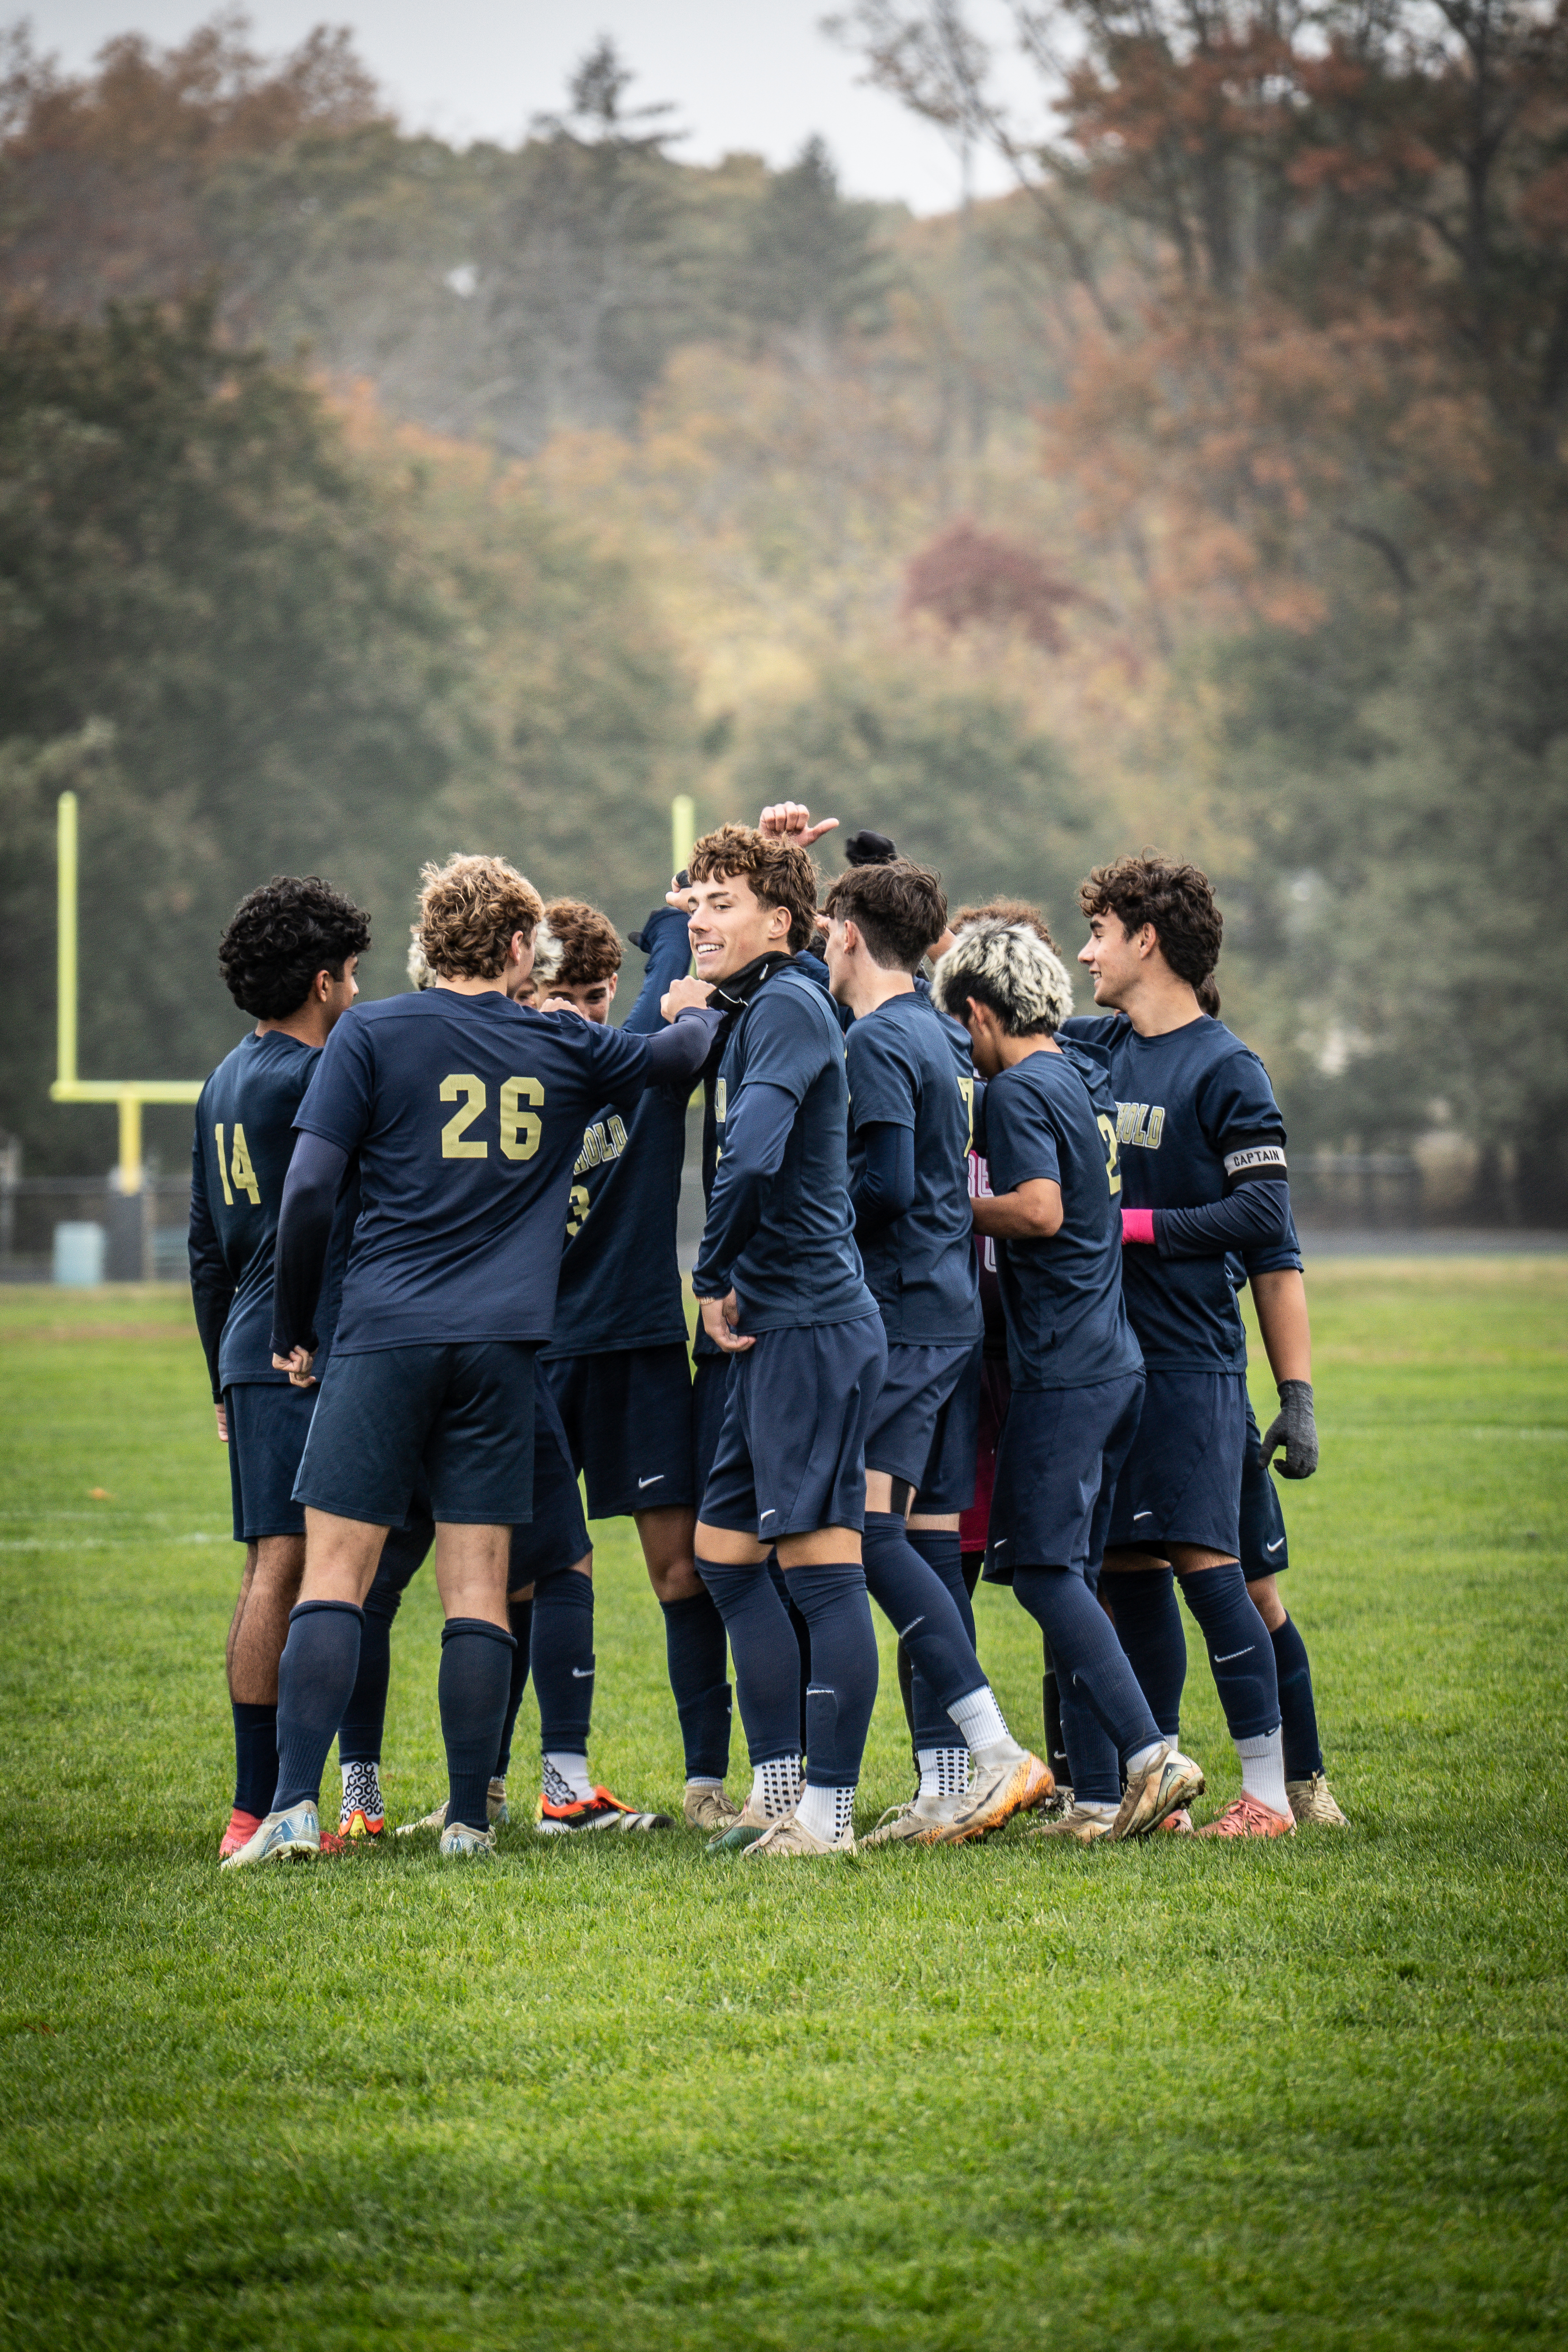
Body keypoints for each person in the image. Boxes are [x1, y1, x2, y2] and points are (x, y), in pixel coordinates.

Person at [222, 852, 721, 1867]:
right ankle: (464, 1819)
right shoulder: (561, 1039)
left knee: (337, 1575)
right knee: (481, 1587)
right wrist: (698, 1002)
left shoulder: (367, 1030)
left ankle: (291, 1808)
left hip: (383, 1336)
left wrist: (298, 1323)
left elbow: (311, 1190)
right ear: (511, 947)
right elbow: (677, 1060)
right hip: (503, 1349)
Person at [933, 917, 1206, 1843]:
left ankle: (1149, 1753)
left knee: (1044, 1569)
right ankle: (1098, 1793)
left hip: (1063, 1371)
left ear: (978, 1012)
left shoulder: (1013, 1092)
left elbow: (1040, 1208)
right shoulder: (1078, 1076)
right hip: (1115, 1359)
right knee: (1075, 1572)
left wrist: (948, 1205)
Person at [1062, 853, 1298, 1838]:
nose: (1085, 953)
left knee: (1211, 1568)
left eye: (1101, 933)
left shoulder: (1226, 1065)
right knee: (1125, 1570)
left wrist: (1135, 1227)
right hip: (1107, 1362)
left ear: (1145, 939)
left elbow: (1261, 1210)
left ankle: (1273, 1795)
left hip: (1194, 1361)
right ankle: (1155, 1788)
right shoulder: (1094, 1048)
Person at [669, 822, 890, 1859]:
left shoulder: (794, 1004)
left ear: (782, 921)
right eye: (694, 900)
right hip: (767, 1329)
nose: (697, 917)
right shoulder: (758, 1002)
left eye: (721, 901)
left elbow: (752, 1153)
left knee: (821, 1566)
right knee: (726, 1555)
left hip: (806, 1325)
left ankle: (829, 1818)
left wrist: (710, 1275)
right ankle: (779, 1786)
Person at [820, 858, 1051, 1846]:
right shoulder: (945, 1033)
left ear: (842, 935)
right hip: (954, 1311)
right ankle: (948, 1778)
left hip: (906, 1316)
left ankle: (994, 1750)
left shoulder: (876, 1038)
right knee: (926, 1547)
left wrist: (806, 1211)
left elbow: (878, 1184)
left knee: (871, 1534)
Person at [536, 897, 739, 1830]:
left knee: (681, 1570)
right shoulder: (508, 1075)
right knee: (519, 1571)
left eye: (591, 994)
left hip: (641, 1342)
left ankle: (704, 1780)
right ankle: (515, 1784)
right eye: (556, 997)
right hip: (534, 1352)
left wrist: (676, 907)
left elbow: (678, 969)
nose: (575, 1014)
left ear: (614, 991)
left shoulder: (642, 1067)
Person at [188, 875, 370, 1861]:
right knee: (295, 1565)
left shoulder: (223, 1076)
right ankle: (265, 1803)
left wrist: (225, 1371)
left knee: (281, 1562)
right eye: (351, 975)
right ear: (322, 982)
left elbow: (202, 1243)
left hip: (253, 1349)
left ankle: (277, 1798)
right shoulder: (315, 1078)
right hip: (303, 1347)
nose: (358, 993)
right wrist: (292, 1340)